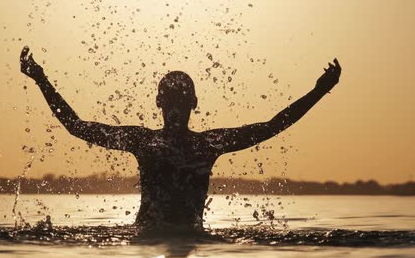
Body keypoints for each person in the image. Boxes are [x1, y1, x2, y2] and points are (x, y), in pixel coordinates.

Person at [20, 46, 341, 229]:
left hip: (159, 238)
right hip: (163, 236)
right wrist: (41, 80)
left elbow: (273, 125)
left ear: (191, 104)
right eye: (170, 99)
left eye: (178, 99)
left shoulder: (186, 144)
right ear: (161, 103)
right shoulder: (166, 143)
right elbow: (76, 126)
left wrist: (319, 91)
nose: (174, 105)